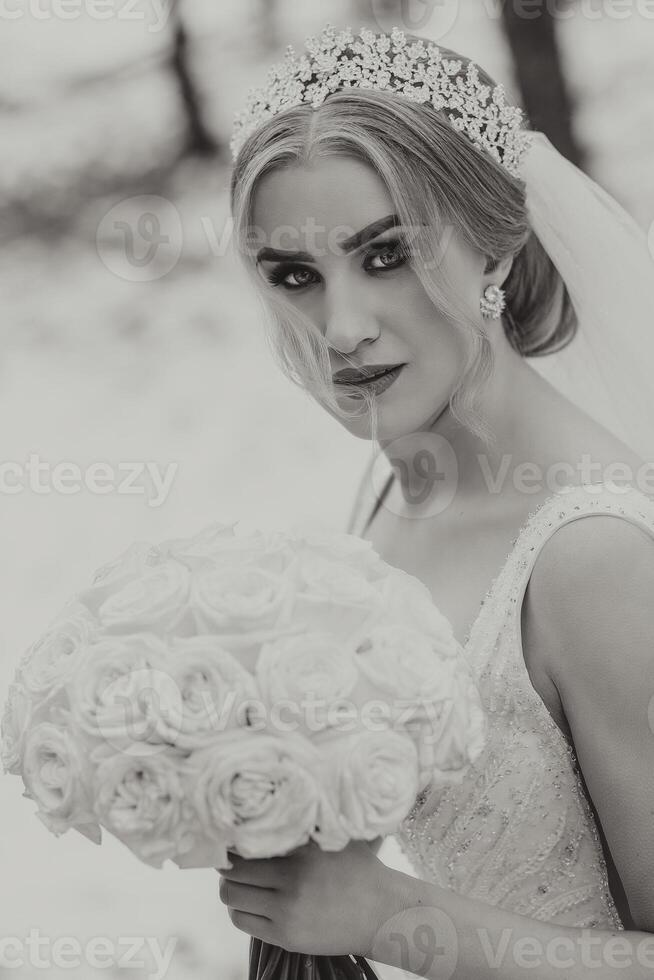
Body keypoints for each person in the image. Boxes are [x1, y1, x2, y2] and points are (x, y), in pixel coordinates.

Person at [219, 24, 654, 977]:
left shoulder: (595, 556)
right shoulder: (396, 479)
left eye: (387, 256)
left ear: (495, 251)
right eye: (295, 274)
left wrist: (390, 918)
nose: (342, 329)